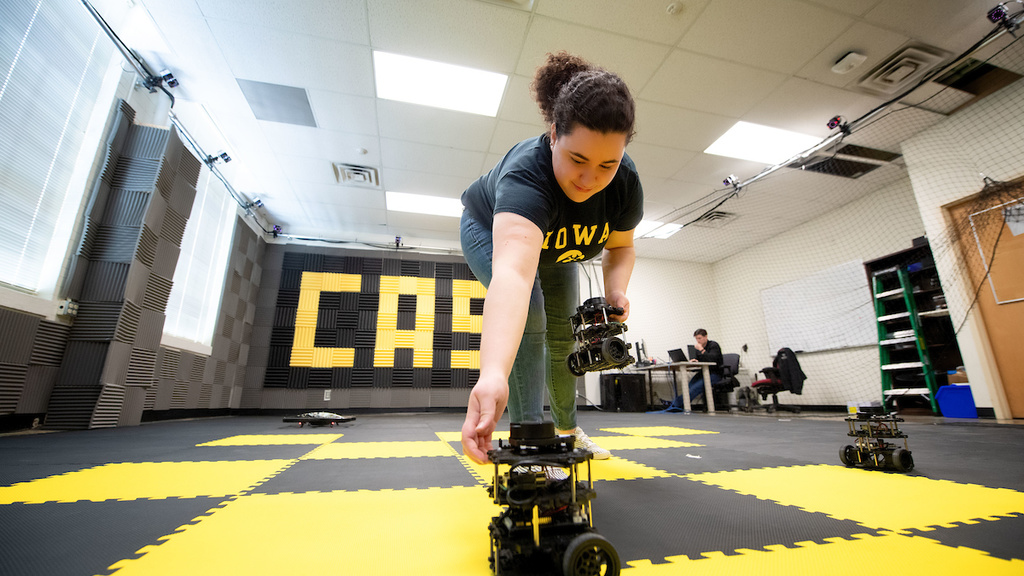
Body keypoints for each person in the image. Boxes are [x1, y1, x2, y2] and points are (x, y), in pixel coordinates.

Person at [459, 51, 643, 465]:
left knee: (565, 334)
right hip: (488, 230)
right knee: (532, 315)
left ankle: (568, 431)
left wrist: (616, 289)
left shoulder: (625, 184)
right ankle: (531, 440)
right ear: (555, 133)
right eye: (577, 159)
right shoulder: (528, 177)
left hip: (556, 249)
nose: (590, 179)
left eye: (607, 165)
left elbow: (621, 246)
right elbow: (513, 278)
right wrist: (492, 375)